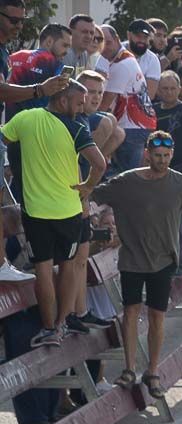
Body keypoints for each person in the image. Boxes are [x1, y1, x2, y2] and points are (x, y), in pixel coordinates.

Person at [92, 131, 182, 391]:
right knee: (130, 313)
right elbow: (94, 195)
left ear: (172, 154)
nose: (162, 160)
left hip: (164, 259)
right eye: (157, 155)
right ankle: (129, 369)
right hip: (131, 258)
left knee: (157, 316)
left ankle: (152, 370)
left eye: (166, 156)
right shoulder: (126, 181)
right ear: (147, 153)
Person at [2, 80, 105, 347]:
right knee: (68, 266)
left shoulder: (25, 118)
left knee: (44, 270)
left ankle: (49, 329)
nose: (81, 108)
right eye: (79, 103)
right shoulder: (77, 128)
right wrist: (88, 186)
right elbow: (100, 164)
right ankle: (61, 324)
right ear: (62, 100)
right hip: (69, 210)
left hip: (36, 211)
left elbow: (5, 138)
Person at [97, 24, 155, 172]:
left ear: (117, 39)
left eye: (108, 42)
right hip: (138, 125)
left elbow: (104, 104)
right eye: (100, 42)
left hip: (132, 127)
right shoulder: (125, 58)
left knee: (128, 176)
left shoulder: (121, 64)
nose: (104, 47)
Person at [150, 71, 182, 206]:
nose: (169, 92)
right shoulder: (152, 111)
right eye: (165, 88)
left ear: (179, 89)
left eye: (173, 88)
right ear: (158, 90)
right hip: (158, 169)